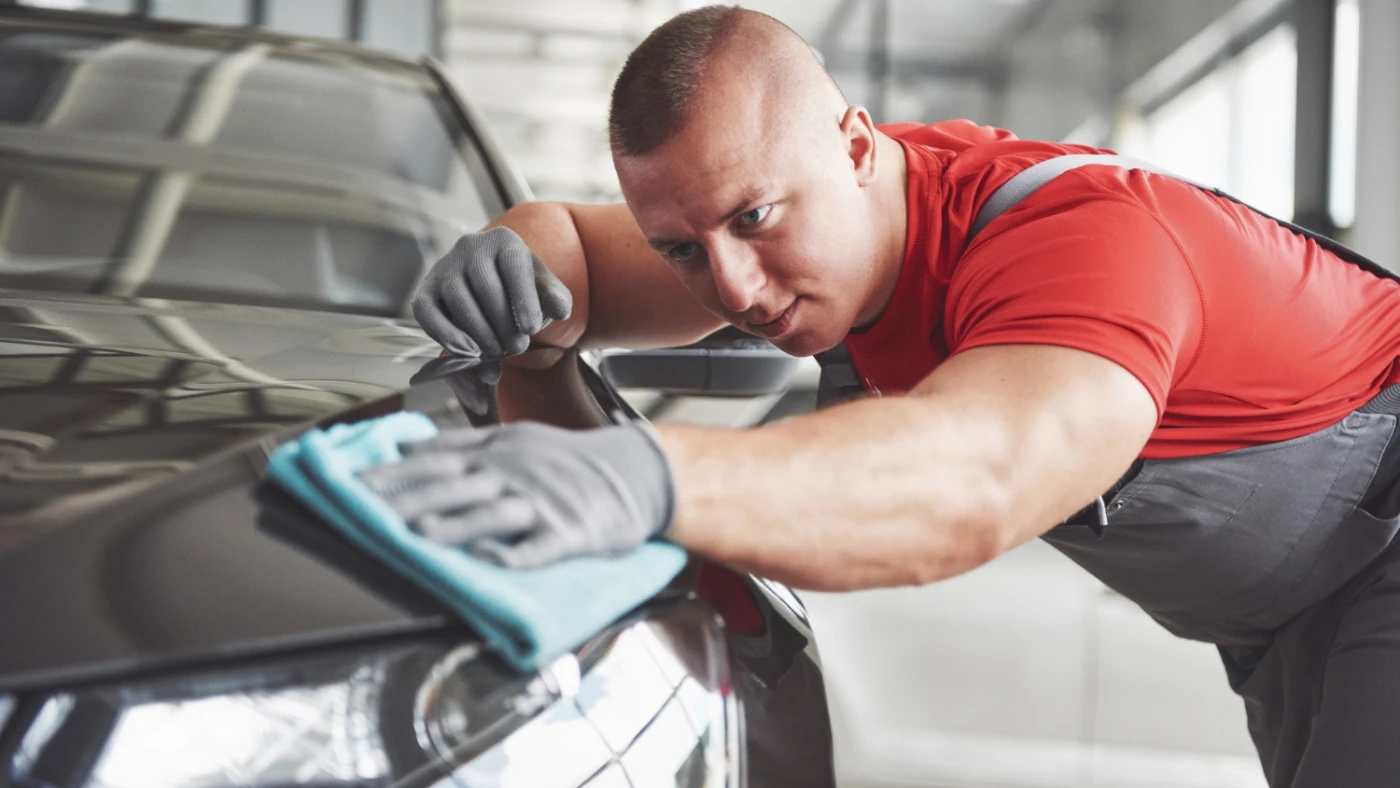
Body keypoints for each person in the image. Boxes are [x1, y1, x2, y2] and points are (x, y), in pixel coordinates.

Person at [359, 6, 1400, 785]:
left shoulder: (1080, 244)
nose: (732, 289)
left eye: (754, 219)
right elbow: (581, 251)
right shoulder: (823, 208)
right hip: (1279, 616)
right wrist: (516, 258)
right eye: (682, 249)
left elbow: (979, 475)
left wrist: (646, 477)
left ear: (857, 146)